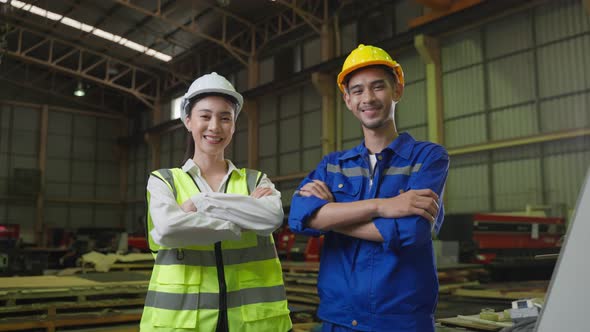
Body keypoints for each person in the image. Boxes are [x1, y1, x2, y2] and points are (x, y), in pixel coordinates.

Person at [289, 44, 450, 332]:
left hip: (401, 322)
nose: (368, 98)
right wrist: (382, 206)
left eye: (378, 87)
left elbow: (412, 232)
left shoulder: (427, 157)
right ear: (348, 100)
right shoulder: (334, 165)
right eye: (358, 90)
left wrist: (330, 219)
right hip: (338, 321)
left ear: (397, 91)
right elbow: (300, 218)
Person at [140, 72, 292, 332]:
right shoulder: (164, 181)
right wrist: (241, 221)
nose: (215, 126)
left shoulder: (256, 180)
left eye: (225, 118)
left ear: (234, 125)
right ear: (188, 121)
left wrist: (201, 203)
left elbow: (270, 219)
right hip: (181, 323)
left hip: (254, 323)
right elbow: (168, 229)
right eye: (205, 116)